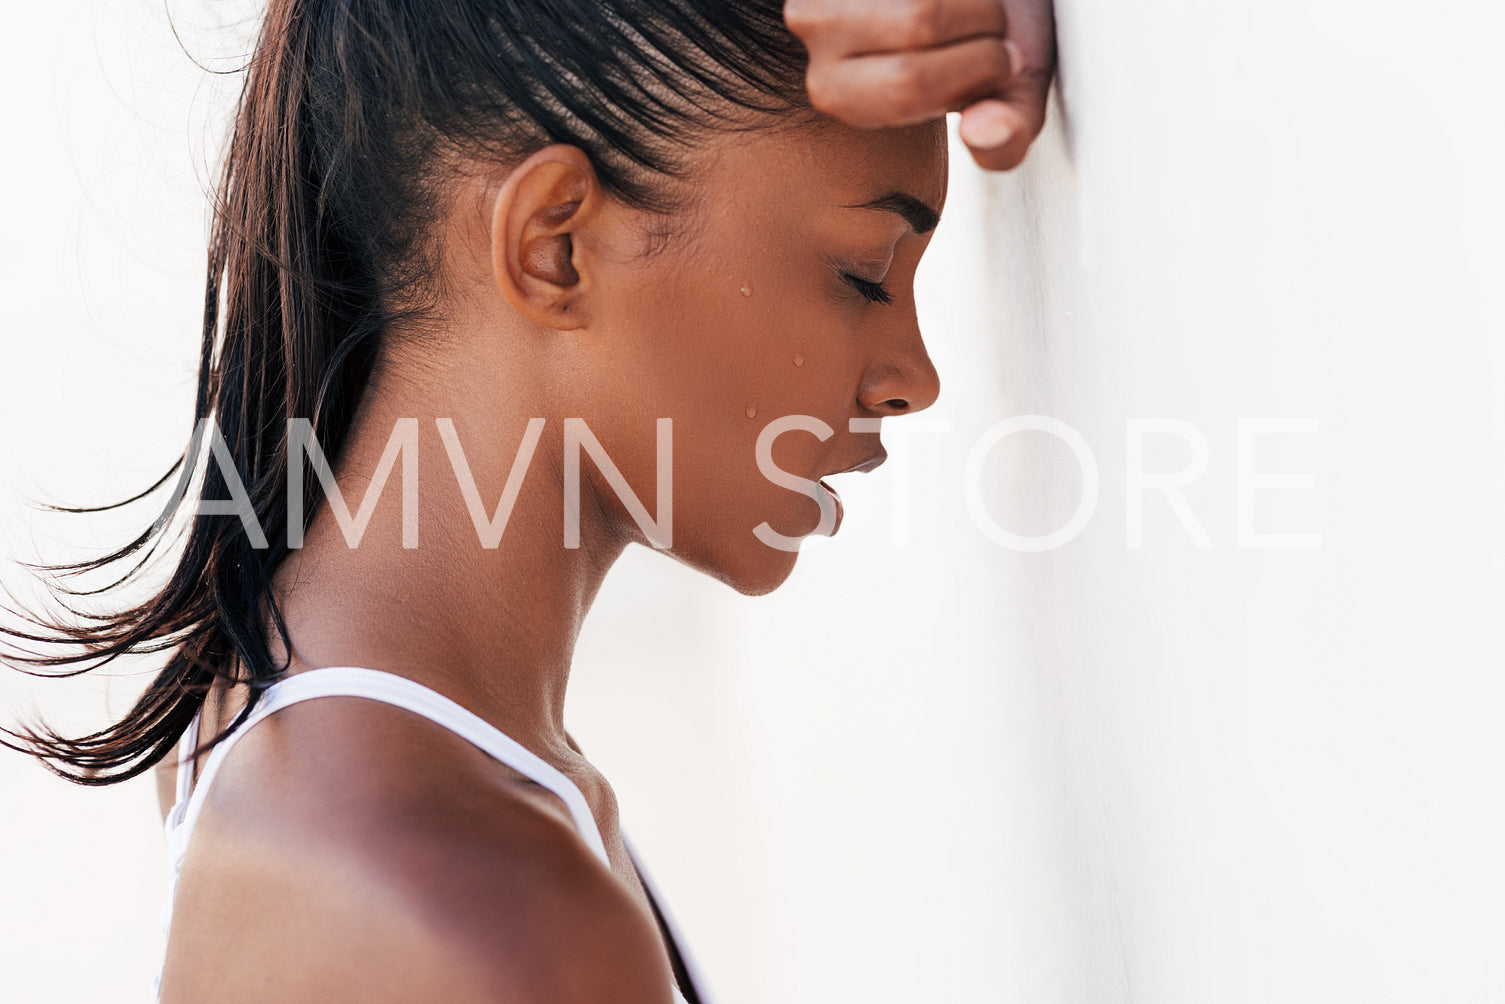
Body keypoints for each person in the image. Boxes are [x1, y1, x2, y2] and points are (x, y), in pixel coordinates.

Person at [1, 1, 1055, 1000]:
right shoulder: (490, 909)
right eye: (864, 272)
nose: (910, 377)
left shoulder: (296, 686)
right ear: (553, 241)